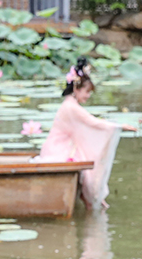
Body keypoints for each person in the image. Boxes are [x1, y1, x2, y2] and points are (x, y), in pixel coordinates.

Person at [36, 57, 135, 207]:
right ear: (76, 89)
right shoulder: (71, 107)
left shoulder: (70, 104)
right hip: (57, 150)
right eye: (86, 92)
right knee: (88, 167)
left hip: (61, 147)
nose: (88, 96)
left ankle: (89, 198)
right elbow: (92, 122)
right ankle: (91, 199)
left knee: (85, 158)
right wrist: (119, 127)